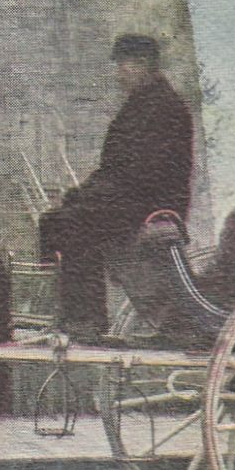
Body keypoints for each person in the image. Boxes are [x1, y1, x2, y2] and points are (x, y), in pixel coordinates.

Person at [40, 33, 193, 339]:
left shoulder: (162, 108)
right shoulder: (143, 104)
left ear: (144, 65)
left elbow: (141, 171)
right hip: (136, 195)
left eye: (124, 65)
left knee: (69, 224)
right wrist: (79, 195)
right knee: (60, 217)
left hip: (153, 203)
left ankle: (85, 319)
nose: (119, 73)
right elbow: (116, 168)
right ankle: (71, 311)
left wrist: (88, 198)